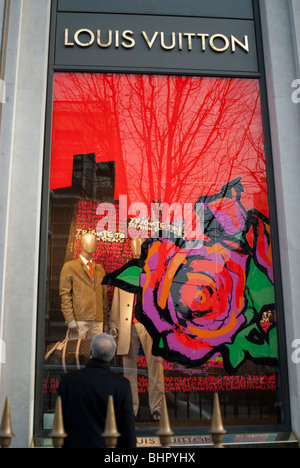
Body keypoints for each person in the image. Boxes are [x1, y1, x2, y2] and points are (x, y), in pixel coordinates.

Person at [109, 238, 165, 421]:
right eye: (133, 246)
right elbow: (116, 300)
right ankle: (131, 408)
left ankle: (156, 408)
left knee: (155, 366)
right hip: (127, 324)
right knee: (129, 369)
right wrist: (114, 324)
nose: (136, 250)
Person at [58, 333, 136, 448]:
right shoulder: (121, 385)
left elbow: (60, 423)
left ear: (90, 352)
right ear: (113, 356)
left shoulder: (67, 381)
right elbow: (127, 428)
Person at [59, 233, 109, 338]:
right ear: (82, 244)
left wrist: (105, 320)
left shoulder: (100, 270)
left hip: (97, 321)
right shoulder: (70, 267)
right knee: (76, 352)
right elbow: (65, 295)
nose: (92, 245)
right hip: (79, 320)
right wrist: (70, 319)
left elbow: (104, 298)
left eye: (94, 242)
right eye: (88, 242)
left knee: (96, 352)